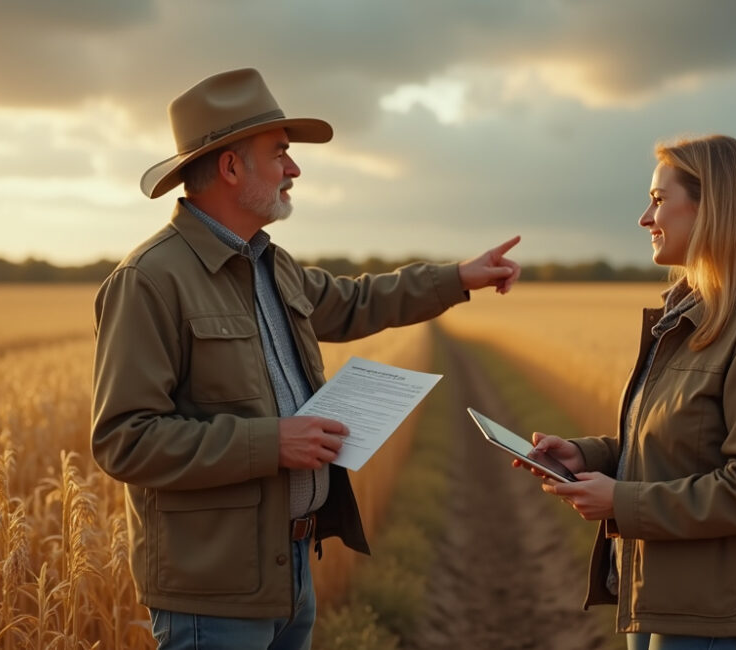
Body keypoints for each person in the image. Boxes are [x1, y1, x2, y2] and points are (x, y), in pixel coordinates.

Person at [90, 68, 521, 650]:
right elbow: (126, 439)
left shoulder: (273, 264)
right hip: (214, 594)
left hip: (289, 567)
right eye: (281, 154)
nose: (293, 170)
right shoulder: (149, 280)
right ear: (231, 167)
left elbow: (356, 301)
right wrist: (273, 442)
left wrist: (458, 277)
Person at [518, 135, 736, 650]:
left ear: (712, 209)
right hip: (660, 595)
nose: (644, 218)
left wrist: (621, 501)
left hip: (713, 618)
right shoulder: (688, 320)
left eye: (658, 200)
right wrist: (585, 455)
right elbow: (674, 449)